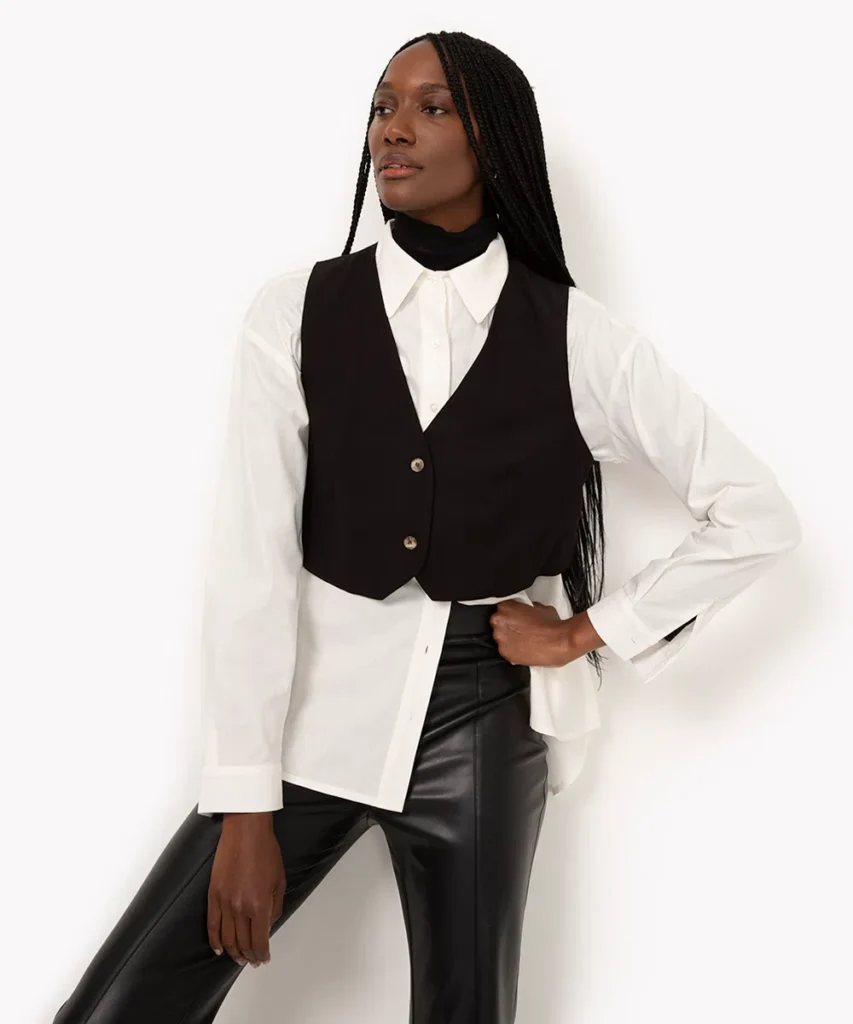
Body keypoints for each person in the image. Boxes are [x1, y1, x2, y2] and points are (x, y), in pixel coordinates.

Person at [51, 29, 801, 1024]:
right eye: (382, 106)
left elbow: (753, 512)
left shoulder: (579, 336)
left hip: (482, 721)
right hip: (312, 719)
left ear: (494, 143)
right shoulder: (295, 312)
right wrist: (244, 801)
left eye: (431, 106)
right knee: (119, 1005)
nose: (392, 129)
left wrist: (586, 631)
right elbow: (251, 564)